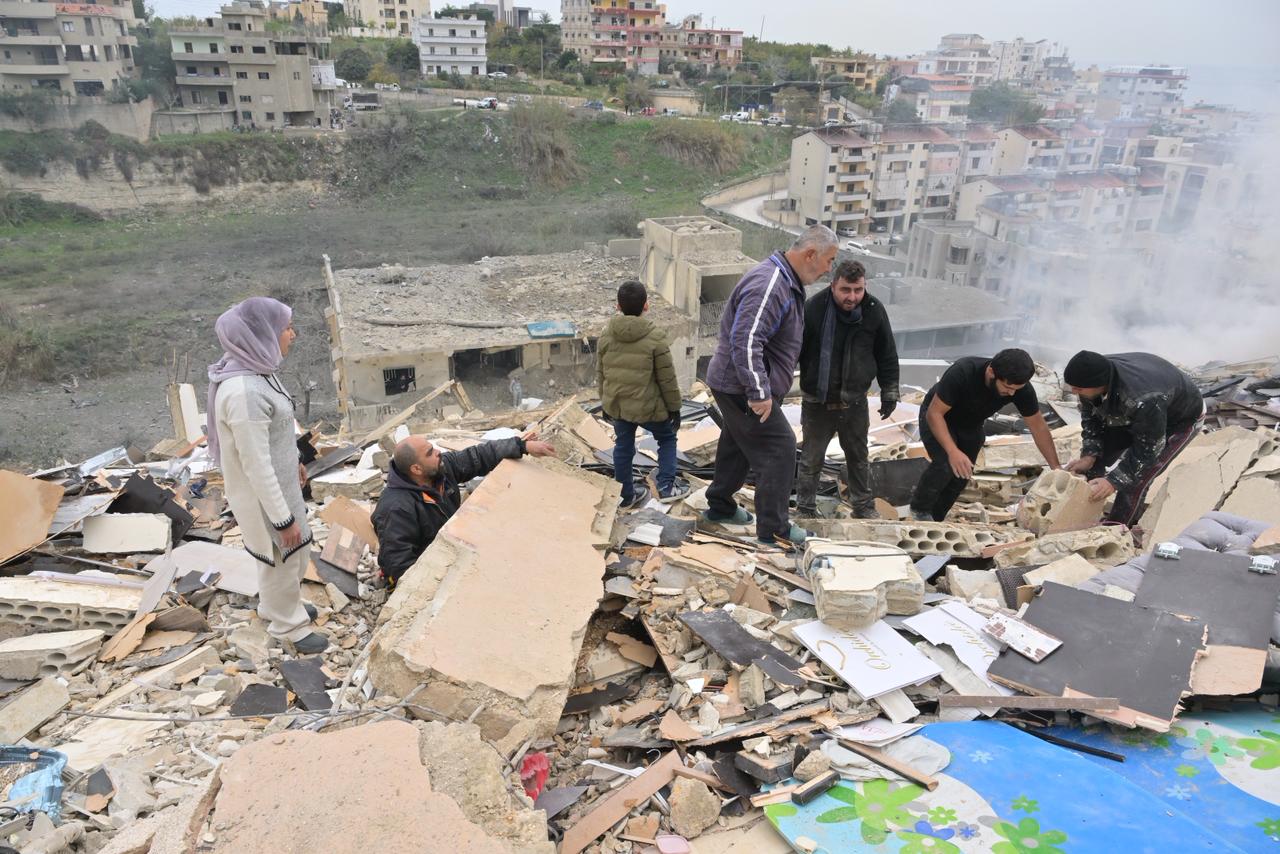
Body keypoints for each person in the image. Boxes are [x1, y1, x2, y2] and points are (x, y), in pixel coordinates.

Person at [703, 225, 840, 545]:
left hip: (738, 382)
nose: (829, 269)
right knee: (779, 448)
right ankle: (774, 529)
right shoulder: (771, 284)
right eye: (829, 260)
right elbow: (746, 339)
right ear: (810, 254)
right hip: (741, 385)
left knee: (737, 444)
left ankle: (720, 507)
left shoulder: (784, 281)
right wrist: (759, 393)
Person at [207, 297, 327, 653]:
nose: (294, 334)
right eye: (286, 328)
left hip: (281, 482)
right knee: (282, 554)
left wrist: (295, 460)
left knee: (292, 553)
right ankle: (287, 626)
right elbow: (255, 464)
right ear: (263, 334)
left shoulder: (260, 373)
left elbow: (275, 433)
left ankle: (277, 605)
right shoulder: (244, 391)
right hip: (265, 495)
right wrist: (282, 518)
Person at [372, 432, 555, 586]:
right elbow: (398, 564)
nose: (438, 452)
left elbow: (478, 456)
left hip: (453, 548)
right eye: (430, 452)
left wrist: (523, 446)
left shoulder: (440, 470)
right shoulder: (395, 508)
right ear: (416, 469)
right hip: (431, 569)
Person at [796, 259, 899, 519]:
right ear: (833, 285)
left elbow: (886, 353)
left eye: (858, 290)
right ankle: (805, 509)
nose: (852, 297)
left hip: (854, 401)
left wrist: (889, 392)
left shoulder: (874, 310)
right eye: (846, 290)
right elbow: (794, 351)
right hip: (817, 402)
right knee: (811, 461)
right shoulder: (814, 309)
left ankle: (863, 507)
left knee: (858, 458)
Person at [909, 349, 1060, 522]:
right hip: (939, 417)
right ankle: (919, 509)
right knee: (945, 463)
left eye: (1016, 390)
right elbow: (934, 414)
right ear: (991, 372)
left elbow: (1038, 427)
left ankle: (935, 519)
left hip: (971, 424)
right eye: (1008, 388)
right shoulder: (963, 371)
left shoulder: (1020, 389)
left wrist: (1056, 468)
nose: (1011, 394)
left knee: (961, 475)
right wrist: (953, 451)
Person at [1061, 350, 1204, 528]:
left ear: (1101, 384)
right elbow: (1091, 415)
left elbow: (1148, 451)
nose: (1074, 392)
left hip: (1178, 419)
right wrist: (1089, 455)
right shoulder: (1093, 374)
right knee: (1095, 460)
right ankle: (1083, 516)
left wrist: (1114, 482)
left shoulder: (1144, 398)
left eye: (1079, 389)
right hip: (1135, 410)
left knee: (1135, 479)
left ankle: (1116, 530)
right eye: (1072, 387)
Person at [597, 280, 687, 508]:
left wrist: (606, 405)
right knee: (666, 439)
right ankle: (666, 487)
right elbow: (667, 379)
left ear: (617, 305)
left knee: (623, 446)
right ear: (646, 306)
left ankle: (625, 496)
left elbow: (601, 374)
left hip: (620, 406)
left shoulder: (606, 336)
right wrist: (674, 408)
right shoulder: (655, 338)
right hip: (650, 407)